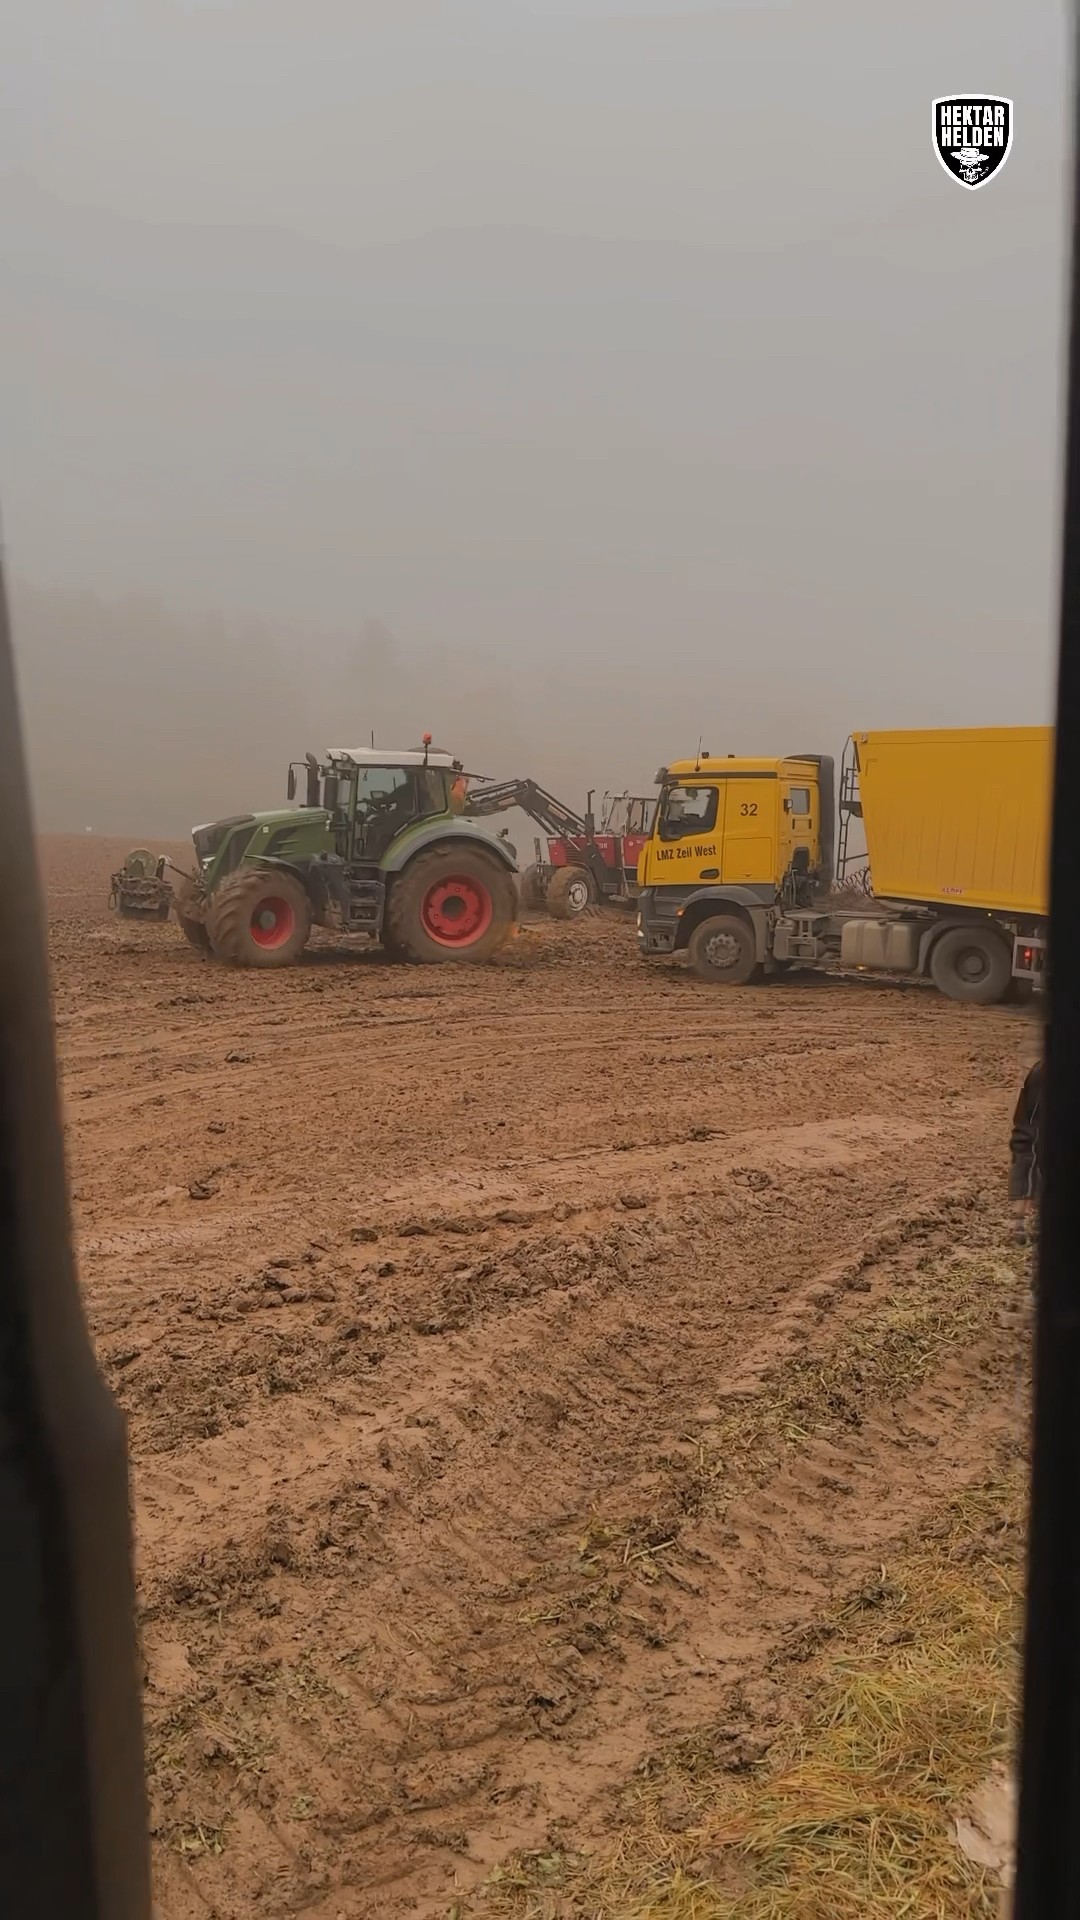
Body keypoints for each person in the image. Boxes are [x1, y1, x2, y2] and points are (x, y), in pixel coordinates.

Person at [1009, 1055, 1043, 1246]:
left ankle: (1020, 1223)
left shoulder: (1039, 1069)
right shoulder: (1043, 1072)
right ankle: (1022, 1223)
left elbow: (1022, 1108)